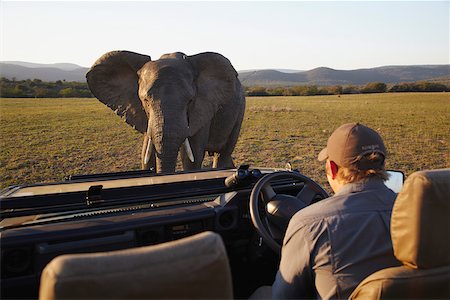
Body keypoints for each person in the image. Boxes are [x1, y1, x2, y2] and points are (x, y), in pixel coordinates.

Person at [271, 122, 401, 299]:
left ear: (331, 168)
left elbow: (284, 296)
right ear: (382, 165)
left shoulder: (310, 223)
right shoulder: (417, 212)